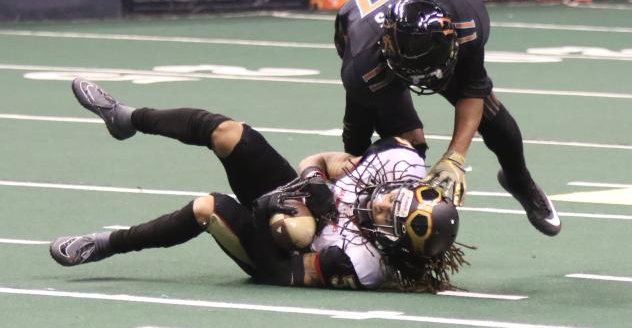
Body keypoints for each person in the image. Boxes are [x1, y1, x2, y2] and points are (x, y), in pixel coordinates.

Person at [49, 78, 463, 292]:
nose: (382, 204)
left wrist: (274, 219)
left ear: (396, 242)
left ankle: (105, 244)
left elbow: (281, 272)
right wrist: (314, 180)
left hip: (282, 252)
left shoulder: (363, 265)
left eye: (389, 217)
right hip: (296, 192)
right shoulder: (400, 162)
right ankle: (125, 117)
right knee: (228, 133)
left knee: (207, 207)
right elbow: (318, 161)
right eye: (395, 198)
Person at [334, 0, 561, 236]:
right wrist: (355, 187)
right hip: (364, 35)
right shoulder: (364, 68)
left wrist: (455, 157)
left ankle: (519, 179)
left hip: (418, 27)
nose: (430, 81)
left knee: (490, 111)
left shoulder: (466, 15)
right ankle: (390, 224)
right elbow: (355, 136)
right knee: (407, 146)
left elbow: (473, 90)